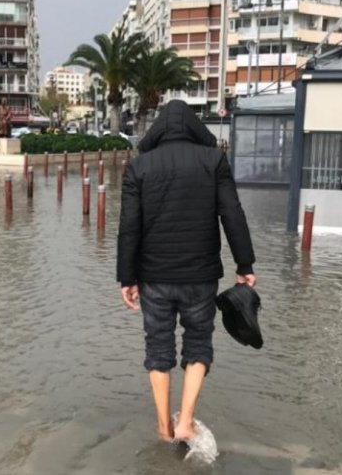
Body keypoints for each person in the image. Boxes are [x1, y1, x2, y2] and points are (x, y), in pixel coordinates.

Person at [117, 99, 256, 443]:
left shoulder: (140, 167)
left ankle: (164, 428)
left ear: (158, 131)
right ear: (195, 128)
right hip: (200, 277)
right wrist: (245, 265)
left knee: (158, 348)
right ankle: (186, 422)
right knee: (198, 343)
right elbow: (232, 213)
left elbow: (129, 228)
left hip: (154, 277)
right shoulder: (214, 161)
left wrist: (127, 278)